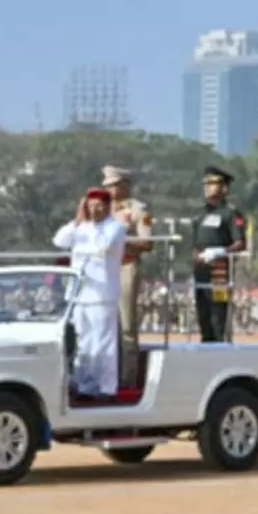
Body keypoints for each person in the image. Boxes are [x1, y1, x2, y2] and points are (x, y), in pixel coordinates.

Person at [53, 187, 127, 401]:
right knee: (84, 342)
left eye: (98, 206)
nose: (94, 210)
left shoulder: (115, 227)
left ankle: (107, 387)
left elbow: (102, 247)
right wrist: (77, 220)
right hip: (80, 294)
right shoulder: (81, 227)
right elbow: (59, 241)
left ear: (107, 207)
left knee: (103, 342)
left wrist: (86, 234)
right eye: (90, 206)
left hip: (103, 294)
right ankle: (85, 385)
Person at [103, 165, 153, 388]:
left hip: (126, 266)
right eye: (108, 186)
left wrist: (121, 242)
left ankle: (127, 377)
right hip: (103, 269)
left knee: (126, 324)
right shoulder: (103, 209)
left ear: (125, 185)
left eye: (114, 185)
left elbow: (147, 242)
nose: (111, 190)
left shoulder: (138, 210)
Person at [191, 166, 246, 343]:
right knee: (203, 314)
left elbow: (240, 243)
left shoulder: (230, 213)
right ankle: (206, 347)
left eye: (213, 183)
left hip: (219, 273)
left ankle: (221, 349)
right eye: (206, 183)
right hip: (201, 271)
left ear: (224, 188)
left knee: (218, 316)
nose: (208, 187)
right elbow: (195, 243)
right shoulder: (200, 214)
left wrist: (220, 252)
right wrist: (196, 256)